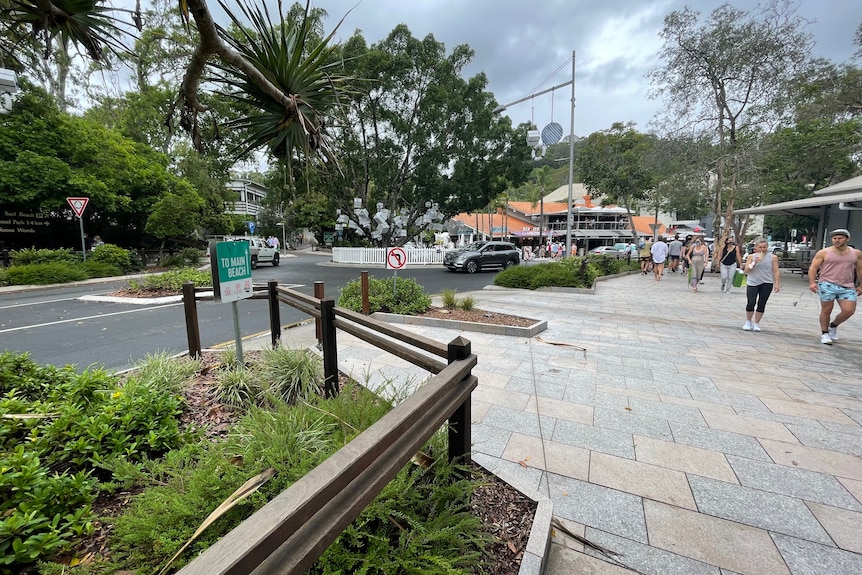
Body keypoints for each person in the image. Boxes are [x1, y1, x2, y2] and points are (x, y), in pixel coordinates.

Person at [807, 228, 862, 345]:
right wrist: (812, 282)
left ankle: (833, 325)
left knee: (849, 310)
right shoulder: (824, 252)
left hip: (847, 286)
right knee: (827, 309)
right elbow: (813, 267)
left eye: (840, 238)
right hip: (827, 283)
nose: (837, 240)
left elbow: (860, 269)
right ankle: (825, 333)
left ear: (847, 239)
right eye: (834, 238)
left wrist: (861, 285)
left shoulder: (856, 253)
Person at [742, 239, 780, 331]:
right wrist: (754, 262)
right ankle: (748, 321)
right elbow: (747, 270)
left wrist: (777, 283)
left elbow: (776, 270)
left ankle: (756, 323)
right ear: (756, 248)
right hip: (753, 282)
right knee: (751, 302)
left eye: (764, 247)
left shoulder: (773, 257)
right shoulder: (751, 257)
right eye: (760, 247)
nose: (762, 249)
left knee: (762, 303)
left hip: (767, 282)